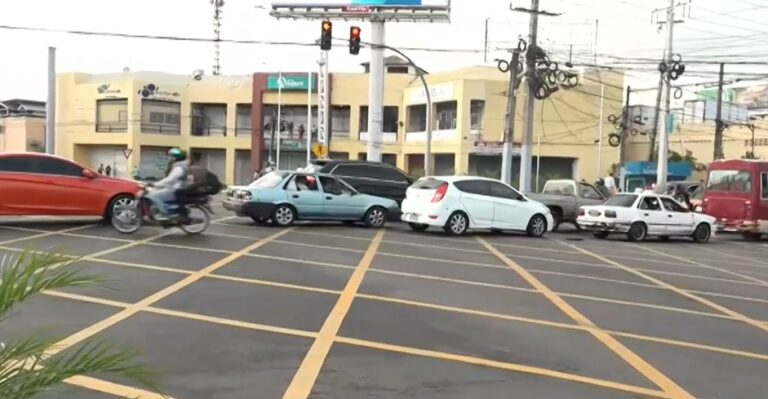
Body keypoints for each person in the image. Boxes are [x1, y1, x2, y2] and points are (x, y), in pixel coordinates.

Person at [147, 148, 189, 220]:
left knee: (152, 195)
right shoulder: (180, 165)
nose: (170, 158)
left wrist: (155, 184)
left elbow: (170, 179)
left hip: (175, 189)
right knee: (155, 191)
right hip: (175, 188)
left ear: (176, 158)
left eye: (171, 156)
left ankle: (164, 213)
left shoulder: (179, 167)